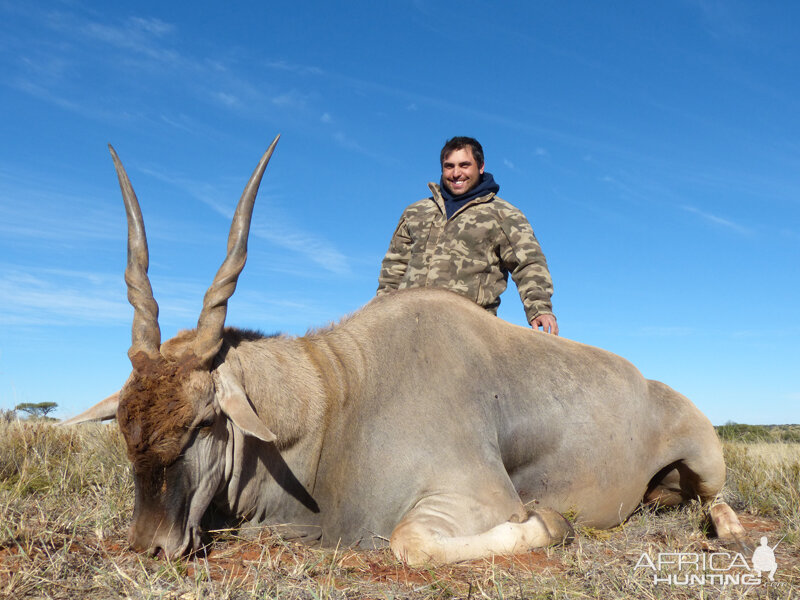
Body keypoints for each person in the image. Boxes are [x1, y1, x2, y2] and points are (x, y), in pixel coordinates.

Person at [377, 136, 558, 334]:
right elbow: (394, 266)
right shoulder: (416, 211)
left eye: (464, 165)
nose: (456, 173)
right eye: (449, 166)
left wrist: (539, 309)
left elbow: (528, 263)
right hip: (407, 324)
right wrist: (380, 311)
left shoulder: (503, 214)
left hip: (469, 330)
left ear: (480, 167)